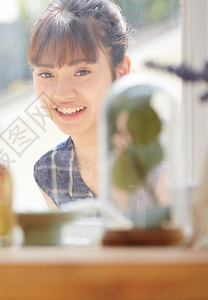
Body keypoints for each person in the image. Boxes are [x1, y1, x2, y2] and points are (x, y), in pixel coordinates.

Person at [29, 0, 131, 210]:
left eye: (82, 71)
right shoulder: (50, 172)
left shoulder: (162, 150)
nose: (61, 94)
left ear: (121, 71)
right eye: (46, 74)